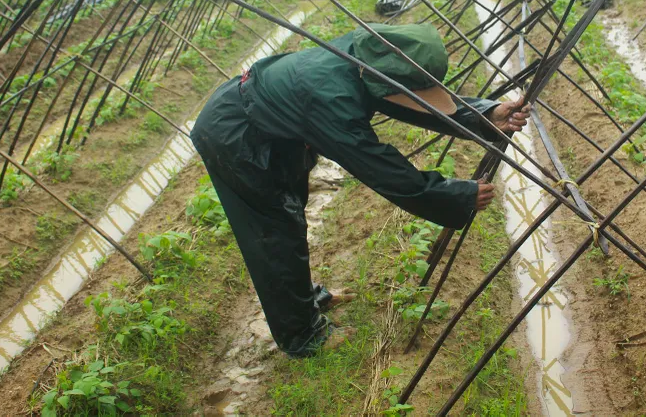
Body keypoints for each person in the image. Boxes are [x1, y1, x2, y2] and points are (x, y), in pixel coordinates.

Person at [190, 22, 530, 357]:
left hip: (276, 126)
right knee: (274, 230)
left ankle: (303, 302)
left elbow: (404, 98)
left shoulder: (369, 56)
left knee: (291, 217)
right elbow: (381, 169)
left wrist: (485, 115)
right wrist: (455, 194)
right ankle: (302, 335)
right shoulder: (332, 98)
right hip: (237, 136)